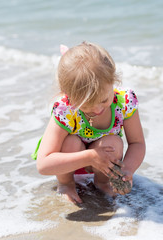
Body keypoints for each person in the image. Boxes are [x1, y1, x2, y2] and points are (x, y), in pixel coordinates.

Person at [33, 42, 145, 204]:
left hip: (104, 164)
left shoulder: (124, 101)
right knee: (70, 141)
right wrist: (90, 157)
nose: (98, 109)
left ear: (114, 81)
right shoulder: (66, 110)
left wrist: (127, 169)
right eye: (86, 105)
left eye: (104, 100)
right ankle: (66, 184)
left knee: (113, 143)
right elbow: (43, 165)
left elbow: (137, 143)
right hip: (69, 162)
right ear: (68, 96)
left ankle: (102, 182)